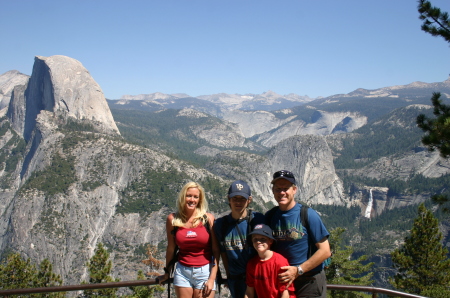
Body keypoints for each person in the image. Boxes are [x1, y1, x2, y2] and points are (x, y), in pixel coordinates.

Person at [266, 170, 331, 298]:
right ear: (273, 191)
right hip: (282, 281)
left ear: (294, 189)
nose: (282, 192)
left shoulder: (308, 215)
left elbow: (325, 251)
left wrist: (298, 270)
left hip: (309, 281)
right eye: (278, 189)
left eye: (286, 188)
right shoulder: (270, 216)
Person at [158, 181, 220, 298]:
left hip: (205, 272)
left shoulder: (208, 219)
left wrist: (212, 278)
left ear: (200, 200)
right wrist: (167, 273)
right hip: (182, 272)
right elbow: (171, 249)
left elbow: (216, 251)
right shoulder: (173, 219)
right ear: (183, 197)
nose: (192, 200)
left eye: (196, 197)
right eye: (189, 196)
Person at [214, 180, 266, 298]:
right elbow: (223, 252)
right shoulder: (221, 225)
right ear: (229, 199)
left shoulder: (257, 220)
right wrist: (229, 276)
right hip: (236, 281)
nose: (238, 202)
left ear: (249, 200)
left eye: (242, 198)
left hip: (258, 279)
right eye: (235, 198)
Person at [244, 224, 295, 298]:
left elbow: (285, 292)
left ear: (270, 241)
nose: (258, 242)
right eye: (255, 239)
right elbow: (249, 292)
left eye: (262, 239)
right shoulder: (252, 264)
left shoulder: (280, 262)